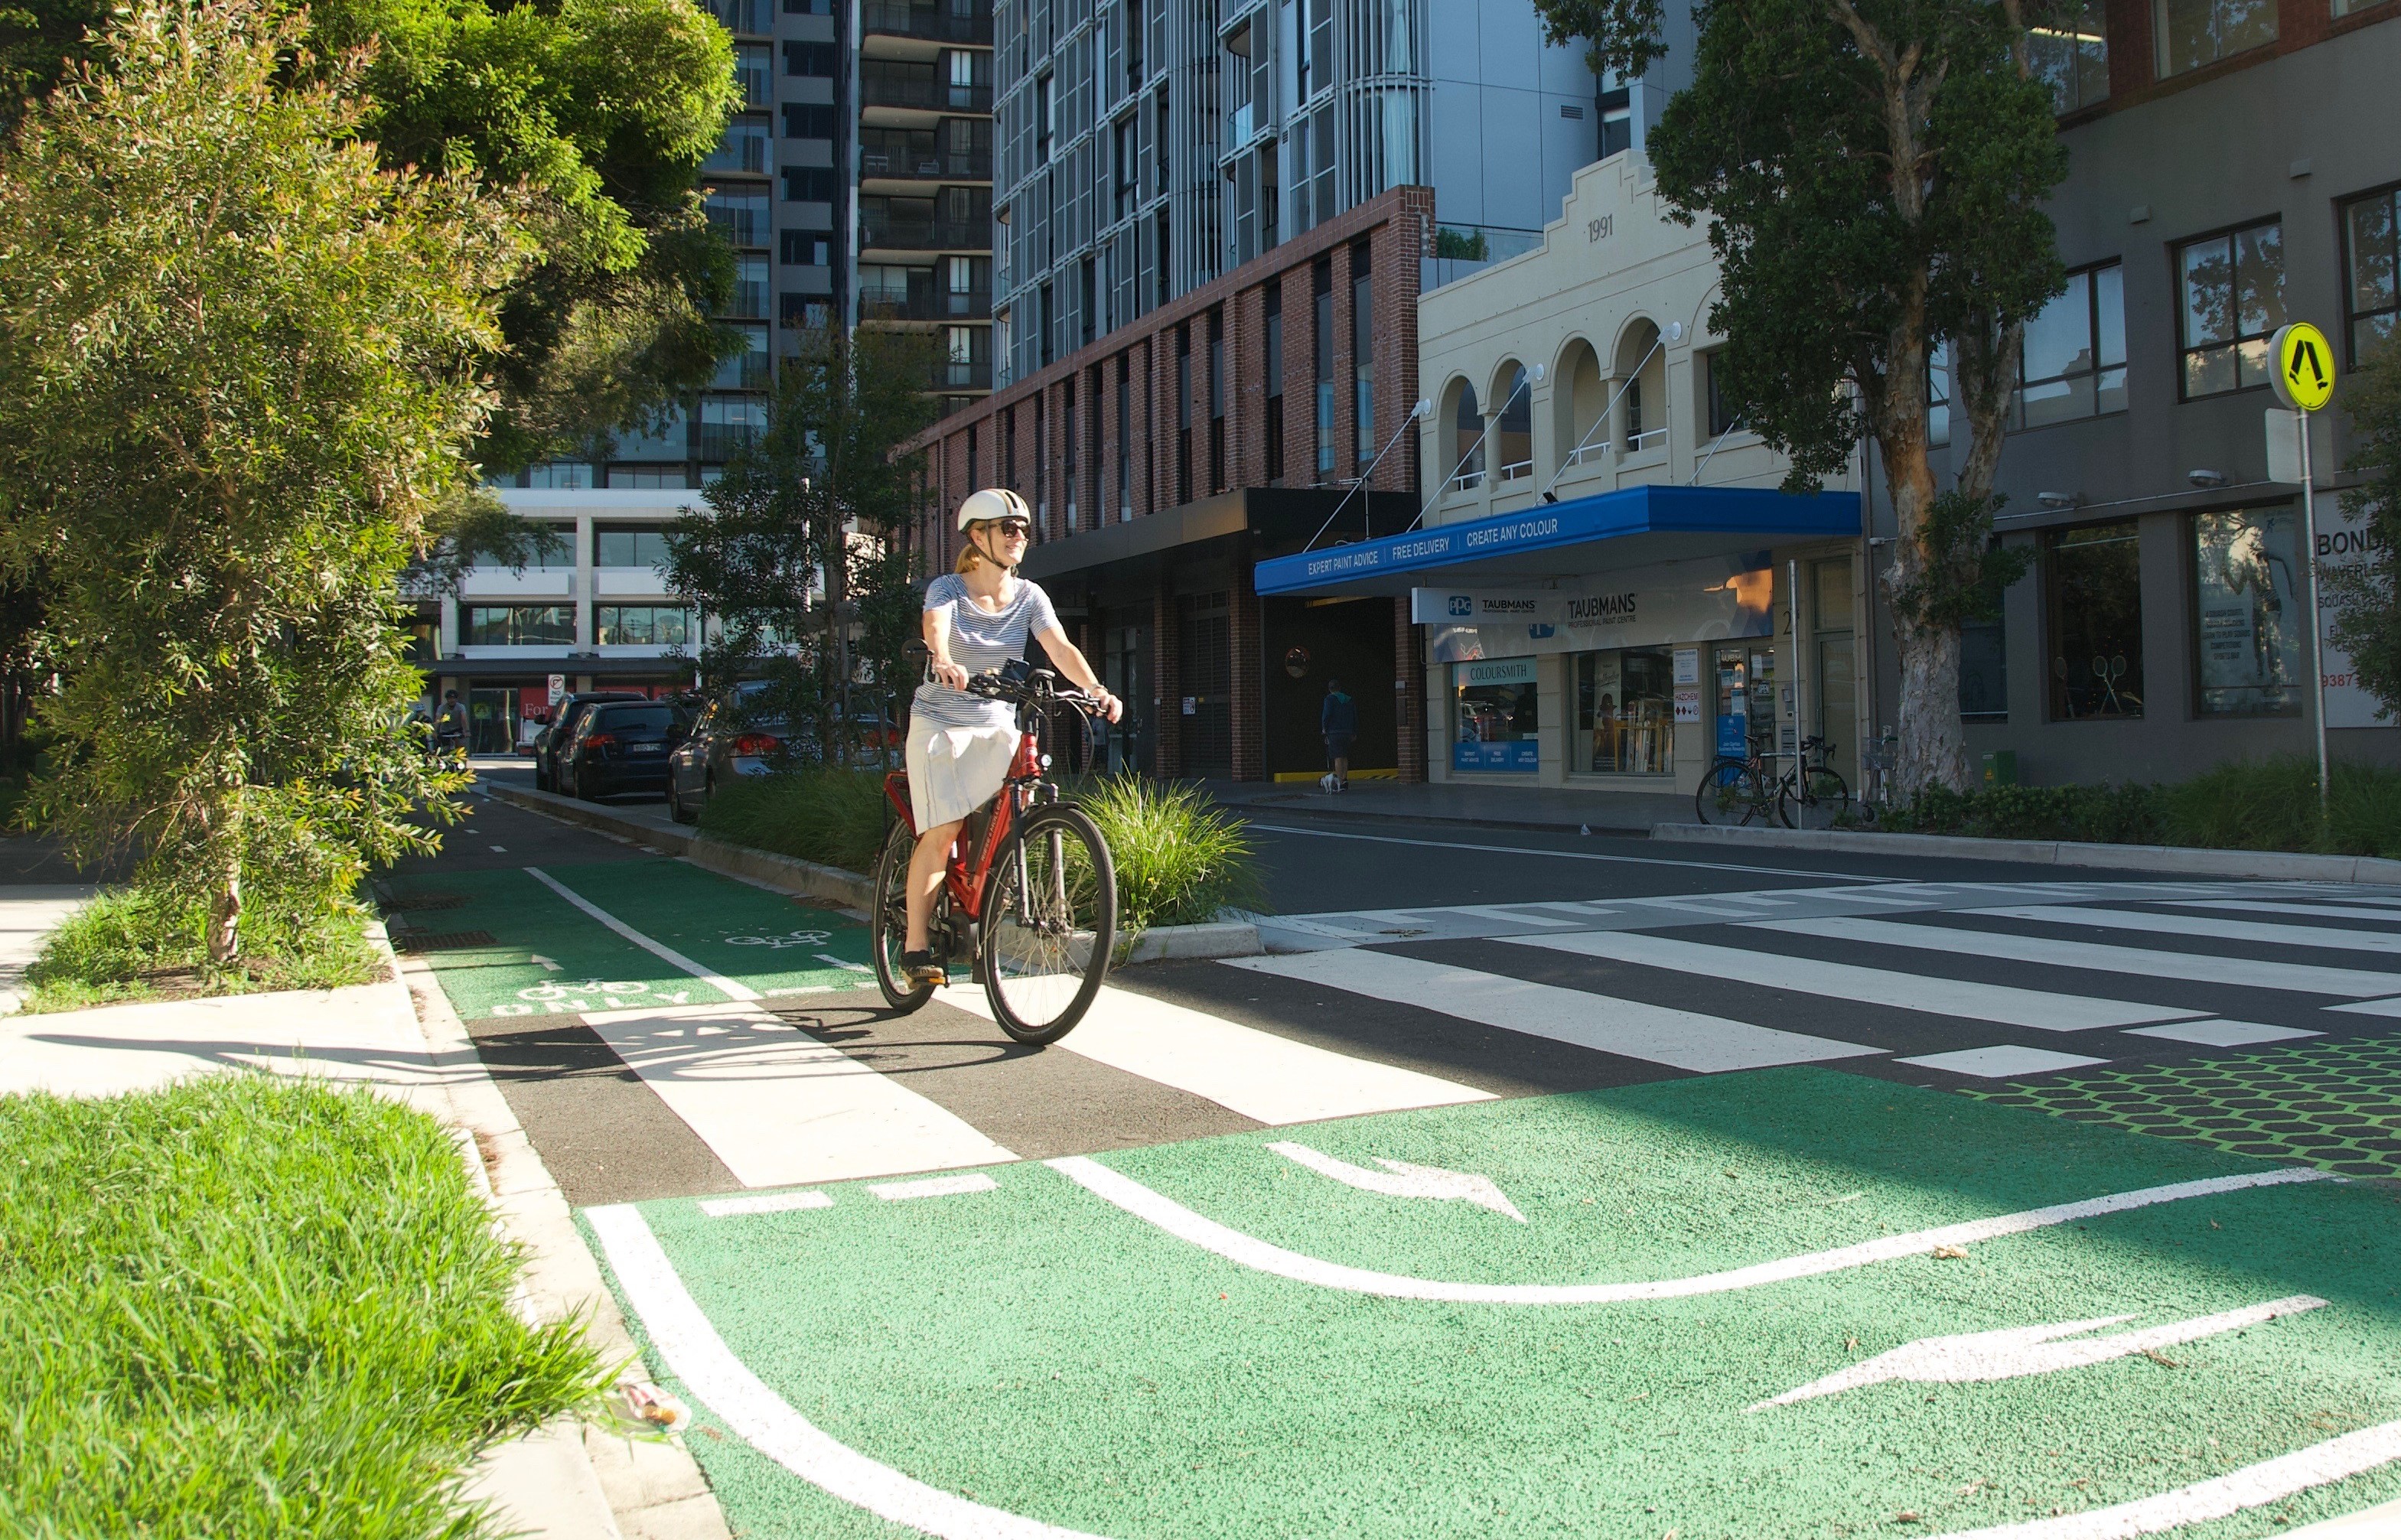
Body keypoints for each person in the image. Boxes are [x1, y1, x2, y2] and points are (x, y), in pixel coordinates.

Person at [901, 489, 1122, 989]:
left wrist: (1096, 690)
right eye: (1009, 528)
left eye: (1023, 529)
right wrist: (943, 660)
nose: (1019, 537)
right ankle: (916, 946)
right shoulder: (948, 589)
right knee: (943, 831)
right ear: (978, 536)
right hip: (941, 721)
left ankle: (991, 897)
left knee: (1013, 805)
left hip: (995, 719)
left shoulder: (1029, 596)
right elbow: (935, 626)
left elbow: (1059, 646)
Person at [1319, 677, 1357, 793]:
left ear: (1330, 689)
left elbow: (1326, 715)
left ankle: (1339, 782)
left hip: (1335, 732)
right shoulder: (1349, 700)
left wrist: (1324, 728)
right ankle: (1345, 780)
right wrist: (1354, 731)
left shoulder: (1329, 699)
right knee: (1344, 756)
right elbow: (1355, 716)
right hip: (1347, 732)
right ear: (1339, 688)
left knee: (1338, 757)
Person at [433, 689, 468, 760]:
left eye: (454, 698)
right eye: (450, 698)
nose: (452, 700)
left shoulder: (461, 707)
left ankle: (462, 765)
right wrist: (434, 732)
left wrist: (466, 731)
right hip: (445, 730)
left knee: (460, 748)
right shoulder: (442, 707)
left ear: (456, 699)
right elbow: (438, 719)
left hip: (457, 729)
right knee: (445, 749)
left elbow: (464, 719)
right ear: (447, 699)